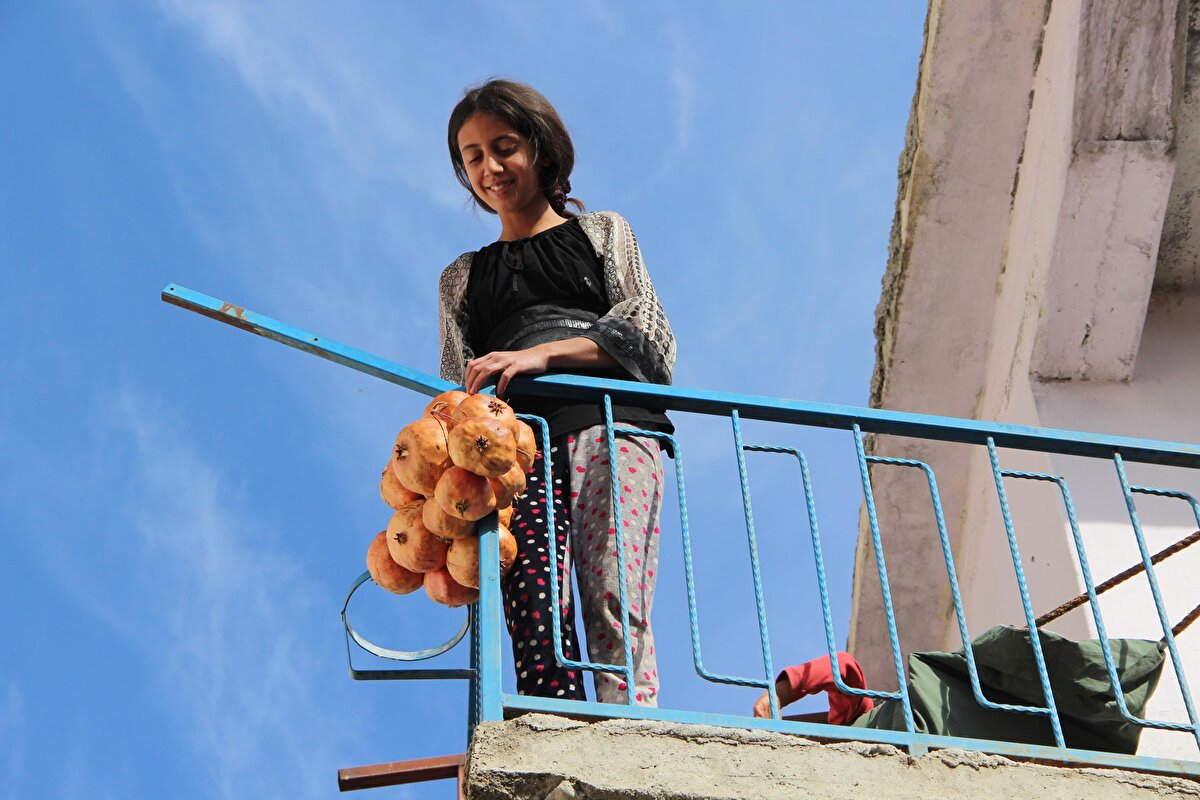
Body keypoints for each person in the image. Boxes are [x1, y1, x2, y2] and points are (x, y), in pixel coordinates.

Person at [437, 79, 675, 705]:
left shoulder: (601, 232)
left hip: (612, 424)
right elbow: (455, 393)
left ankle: (631, 728)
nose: (490, 168)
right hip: (513, 455)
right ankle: (554, 729)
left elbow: (650, 336)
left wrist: (542, 354)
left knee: (612, 591)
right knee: (532, 605)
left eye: (504, 147)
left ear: (539, 149)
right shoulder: (461, 279)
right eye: (473, 156)